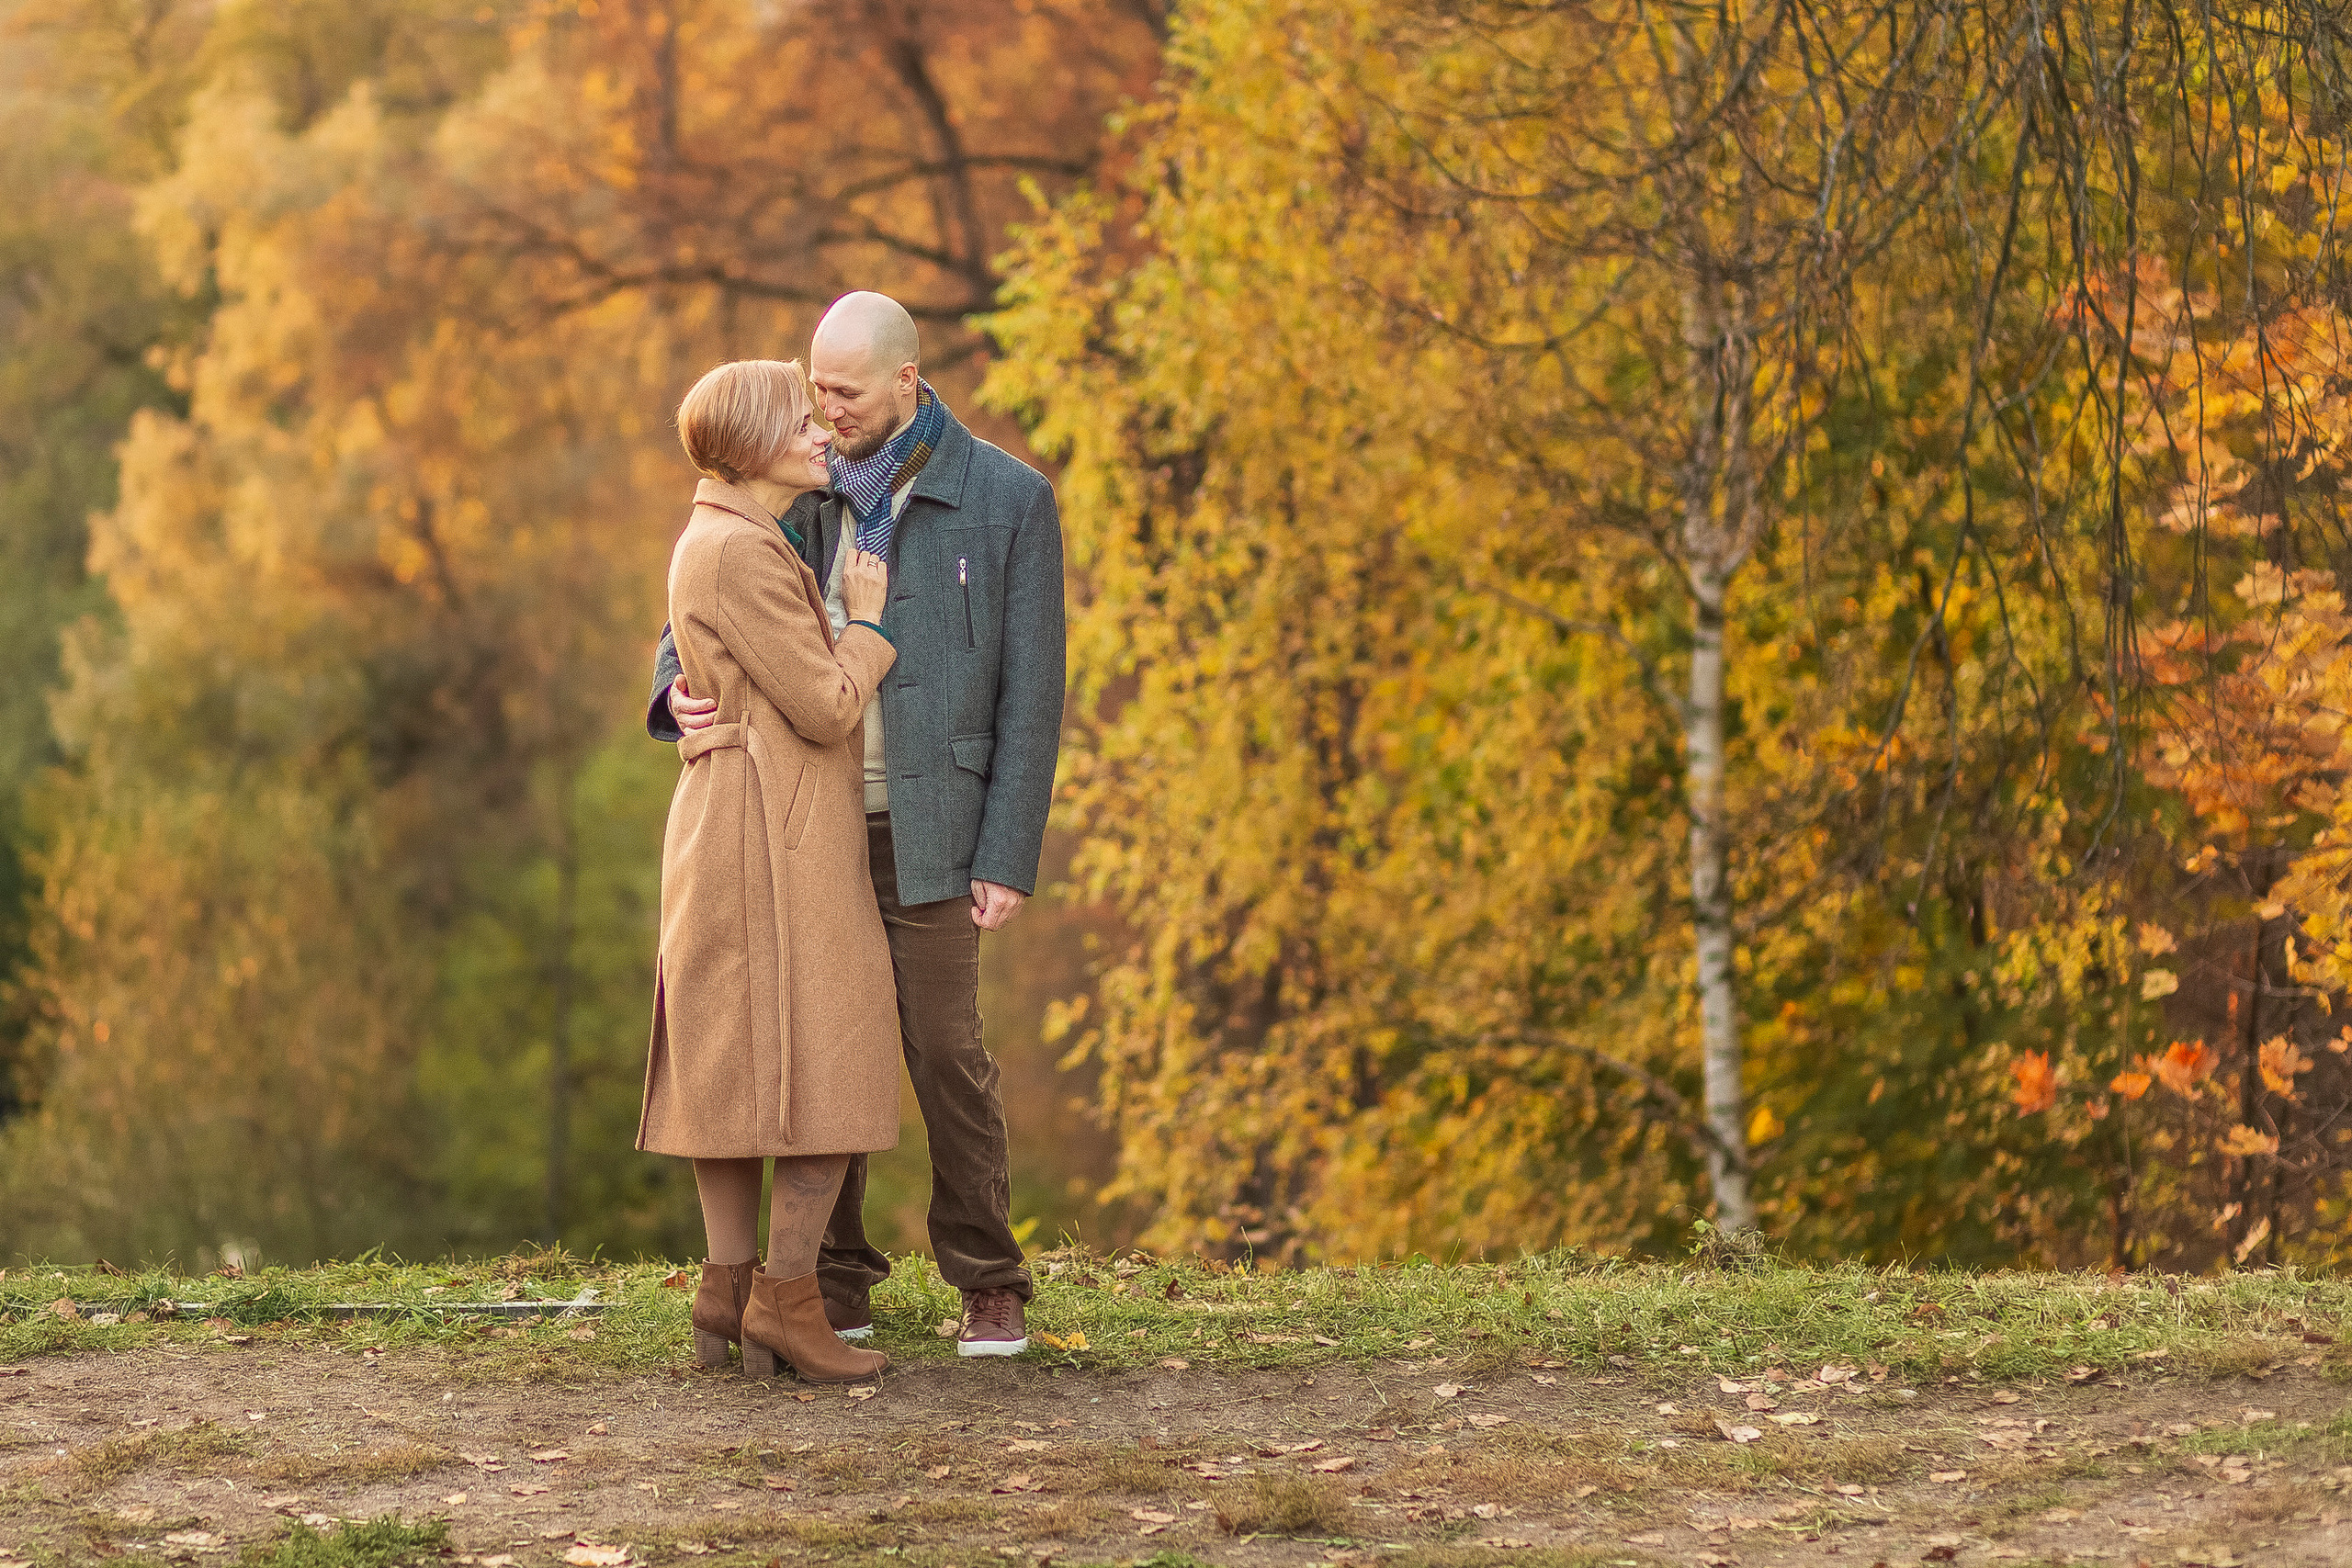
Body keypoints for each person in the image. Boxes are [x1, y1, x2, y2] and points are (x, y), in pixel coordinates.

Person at [648, 292, 1065, 1357]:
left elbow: (1033, 692)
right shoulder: (796, 486)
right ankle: (826, 1282)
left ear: (906, 385)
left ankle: (986, 1277)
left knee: (942, 1051)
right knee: (815, 1051)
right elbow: (694, 616)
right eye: (812, 391)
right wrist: (672, 697)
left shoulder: (1008, 500)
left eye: (841, 391)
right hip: (801, 828)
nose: (823, 411)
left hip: (934, 825)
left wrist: (1006, 851)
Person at [639, 357, 901, 1383]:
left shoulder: (725, 537)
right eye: (799, 420)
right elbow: (829, 704)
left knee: (739, 1062)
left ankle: (728, 1288)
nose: (819, 432)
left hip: (749, 825)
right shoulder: (738, 553)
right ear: (750, 445)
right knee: (826, 1049)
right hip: (770, 838)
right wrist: (872, 627)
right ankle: (784, 1302)